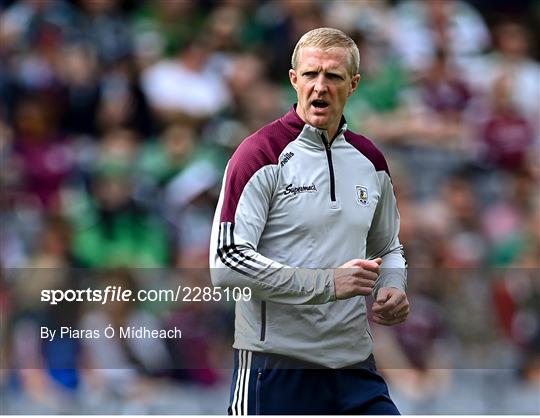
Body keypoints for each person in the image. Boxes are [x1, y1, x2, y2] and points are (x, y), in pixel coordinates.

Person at [210, 27, 409, 415]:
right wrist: (325, 283)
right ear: (293, 80)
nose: (320, 87)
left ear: (353, 85)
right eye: (310, 75)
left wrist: (393, 286)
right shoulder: (258, 155)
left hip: (353, 367)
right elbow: (226, 262)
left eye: (332, 77)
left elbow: (389, 247)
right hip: (276, 367)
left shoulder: (370, 161)